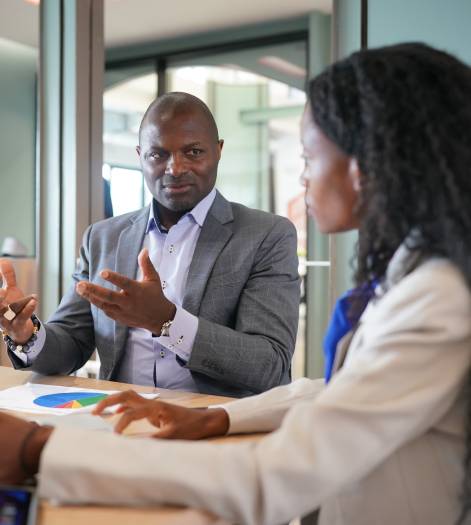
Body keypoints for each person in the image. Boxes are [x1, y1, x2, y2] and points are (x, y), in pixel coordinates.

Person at [1, 42, 471, 525]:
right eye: (159, 154)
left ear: (364, 165)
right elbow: (337, 389)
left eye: (309, 157)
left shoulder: (434, 303)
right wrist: (219, 417)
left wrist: (40, 449)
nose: (303, 179)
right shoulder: (416, 280)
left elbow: (267, 473)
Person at [0, 92, 300, 397]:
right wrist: (26, 334)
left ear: (218, 150)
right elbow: (72, 343)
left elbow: (270, 365)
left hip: (214, 426)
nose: (175, 168)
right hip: (118, 421)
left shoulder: (266, 235)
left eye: (193, 152)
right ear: (140, 156)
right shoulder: (104, 237)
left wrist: (167, 321)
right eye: (158, 155)